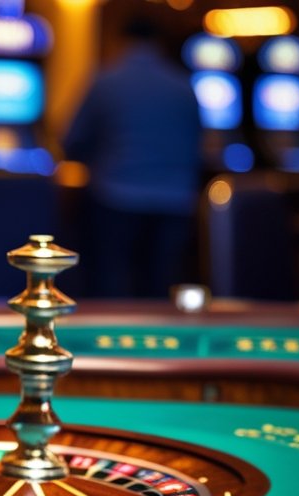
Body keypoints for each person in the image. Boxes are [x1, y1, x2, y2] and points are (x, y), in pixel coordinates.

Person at [63, 16, 202, 298]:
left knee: (110, 283)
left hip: (116, 196)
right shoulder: (184, 85)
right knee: (160, 286)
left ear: (121, 40)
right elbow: (198, 143)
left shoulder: (106, 81)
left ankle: (108, 340)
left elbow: (72, 141)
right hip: (175, 200)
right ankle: (158, 340)